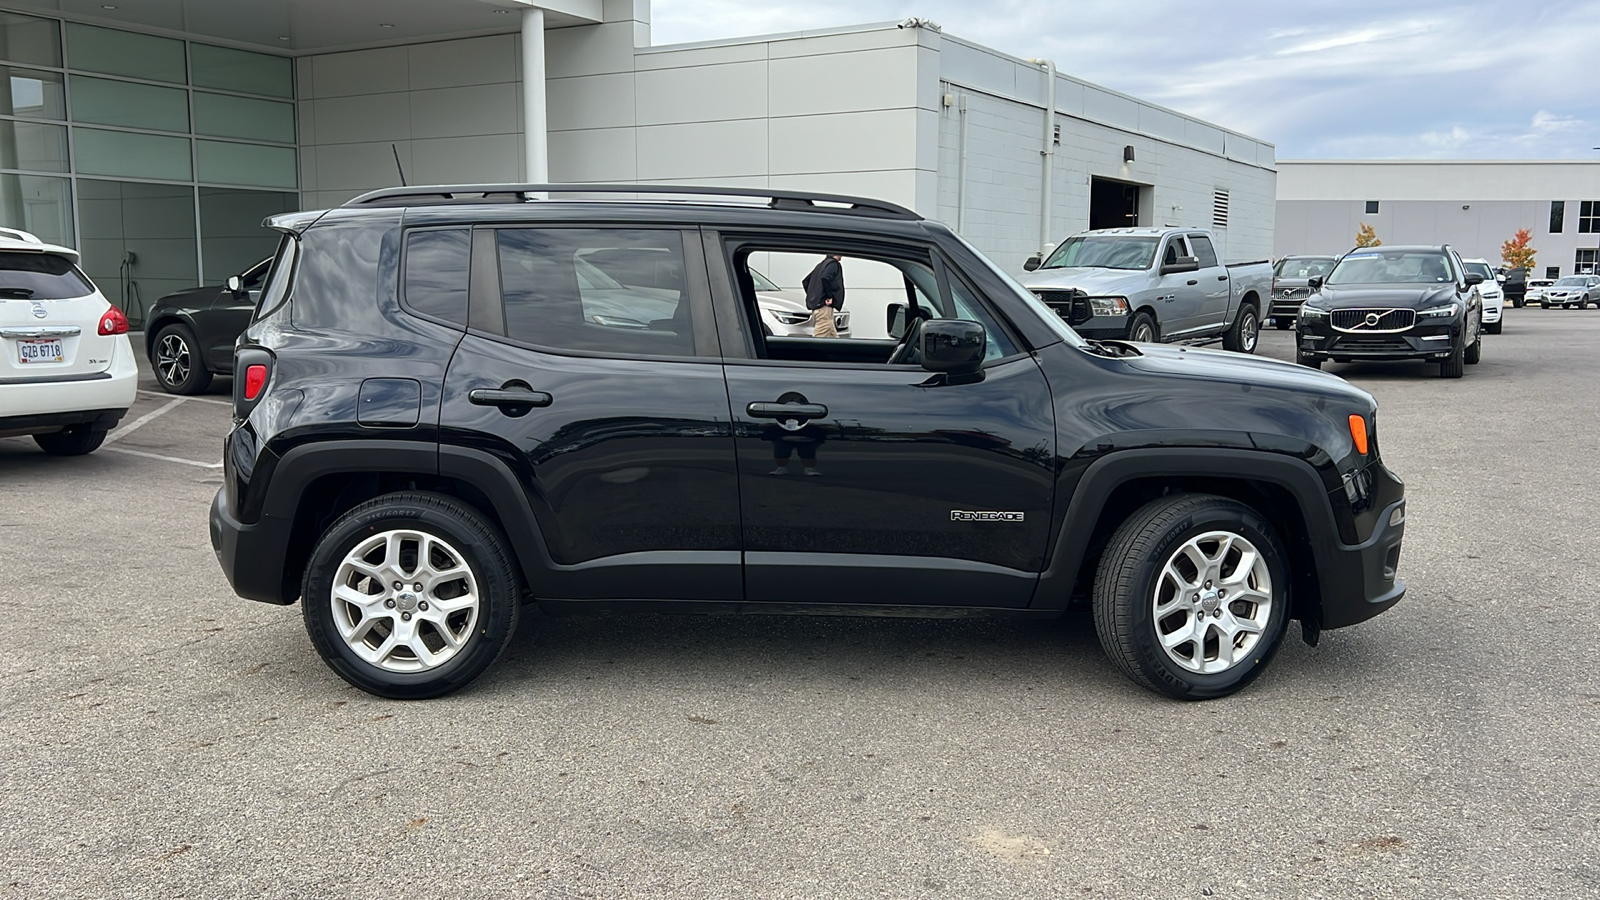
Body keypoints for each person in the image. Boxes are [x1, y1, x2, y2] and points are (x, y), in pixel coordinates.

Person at [802, 254, 845, 338]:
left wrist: (815, 296)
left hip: (820, 310)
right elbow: (825, 277)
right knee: (818, 341)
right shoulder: (833, 264)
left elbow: (806, 281)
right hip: (824, 310)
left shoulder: (820, 265)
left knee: (835, 340)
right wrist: (829, 296)